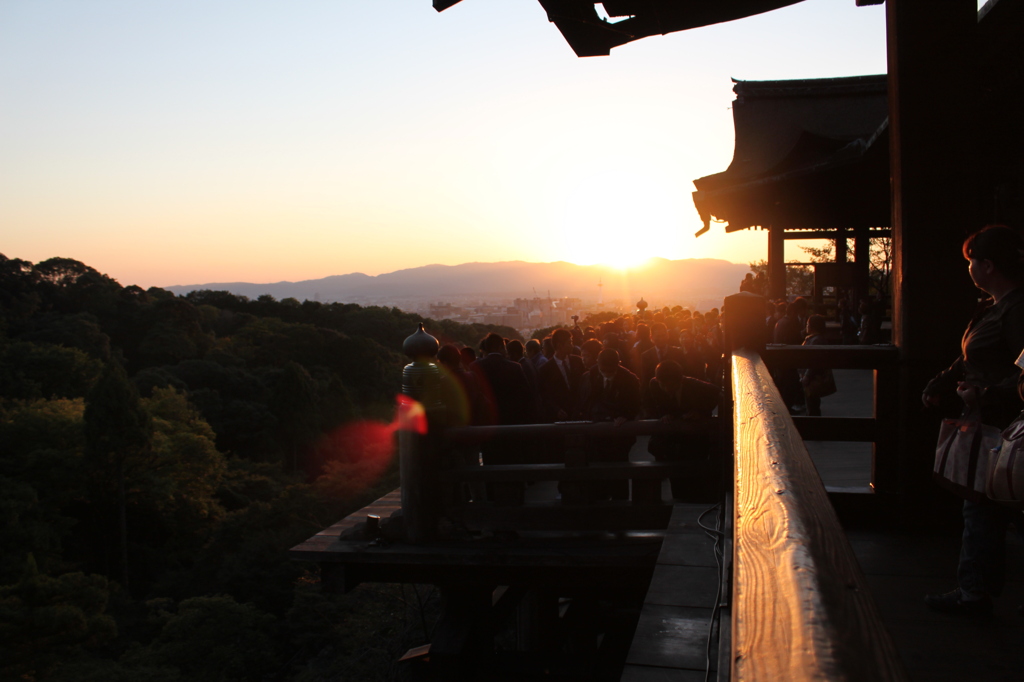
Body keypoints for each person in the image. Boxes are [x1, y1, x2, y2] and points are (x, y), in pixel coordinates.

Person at [922, 225, 1024, 615]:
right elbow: (969, 359)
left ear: (988, 265)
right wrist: (942, 381)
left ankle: (974, 592)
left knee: (983, 505)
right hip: (988, 420)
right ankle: (975, 587)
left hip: (1004, 424)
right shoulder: (995, 307)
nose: (968, 269)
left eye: (971, 262)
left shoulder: (1016, 312)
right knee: (986, 505)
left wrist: (987, 393)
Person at [799, 314, 835, 417]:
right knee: (812, 403)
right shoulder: (815, 338)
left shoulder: (816, 340)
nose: (806, 326)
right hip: (811, 376)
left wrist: (807, 375)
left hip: (813, 377)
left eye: (807, 324)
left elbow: (814, 361)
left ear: (812, 326)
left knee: (812, 403)